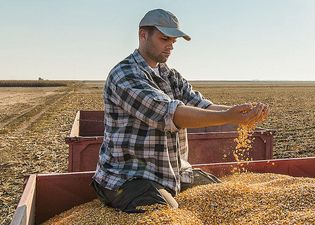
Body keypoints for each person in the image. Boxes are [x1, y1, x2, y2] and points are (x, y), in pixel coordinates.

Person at [91, 8, 269, 213]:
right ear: (143, 35)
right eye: (164, 39)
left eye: (173, 42)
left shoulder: (170, 76)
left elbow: (203, 106)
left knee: (221, 195)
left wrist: (240, 114)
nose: (170, 46)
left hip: (171, 172)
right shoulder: (124, 75)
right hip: (127, 177)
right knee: (166, 212)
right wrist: (227, 116)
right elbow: (171, 114)